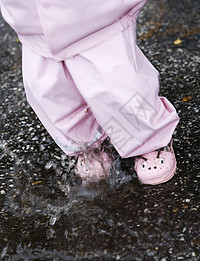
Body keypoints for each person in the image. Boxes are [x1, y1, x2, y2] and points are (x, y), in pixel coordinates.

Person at [0, 0, 179, 185]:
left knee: (115, 80)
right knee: (52, 88)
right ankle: (89, 142)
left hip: (91, 18)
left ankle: (149, 138)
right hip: (33, 21)